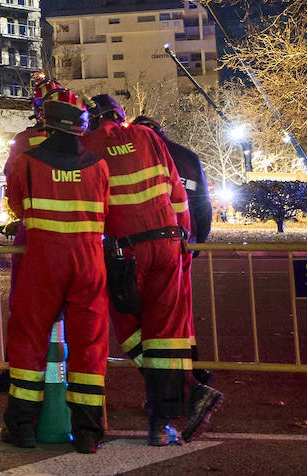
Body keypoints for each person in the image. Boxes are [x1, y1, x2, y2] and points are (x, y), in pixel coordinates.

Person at [1, 88, 112, 454]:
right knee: (90, 344)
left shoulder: (26, 162)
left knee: (29, 338)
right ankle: (87, 432)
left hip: (43, 258)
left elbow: (17, 207)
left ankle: (22, 427)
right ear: (81, 125)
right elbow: (106, 209)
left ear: (45, 120)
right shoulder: (98, 164)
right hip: (88, 260)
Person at [83, 95, 193, 447]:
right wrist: (183, 246)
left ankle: (179, 388)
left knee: (128, 325)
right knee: (167, 332)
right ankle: (160, 425)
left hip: (122, 251)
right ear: (120, 116)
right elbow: (179, 197)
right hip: (167, 244)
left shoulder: (86, 144)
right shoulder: (149, 138)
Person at [131, 114, 223, 441]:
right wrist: (197, 245)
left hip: (150, 249)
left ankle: (180, 390)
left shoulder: (140, 155)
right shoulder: (187, 157)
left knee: (145, 325)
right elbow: (202, 207)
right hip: (182, 247)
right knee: (176, 324)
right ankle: (183, 385)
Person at [0, 77, 62, 393]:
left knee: (25, 306)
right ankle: (67, 376)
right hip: (79, 236)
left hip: (34, 235)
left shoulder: (24, 141)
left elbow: (12, 187)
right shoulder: (83, 141)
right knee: (79, 309)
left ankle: (19, 372)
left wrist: (24, 215)